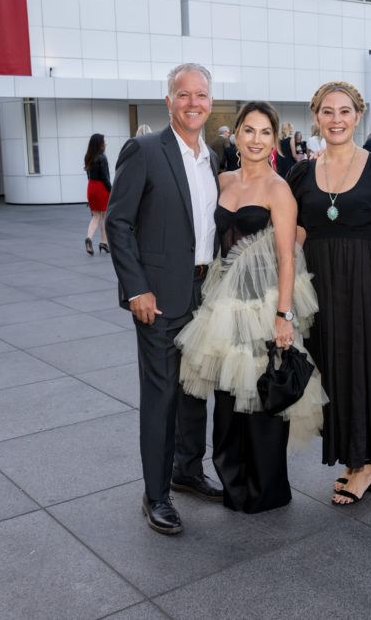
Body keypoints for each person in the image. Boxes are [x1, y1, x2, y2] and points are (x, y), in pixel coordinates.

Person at [175, 101, 325, 514]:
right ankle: (232, 482)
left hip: (263, 304)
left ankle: (265, 489)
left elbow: (288, 257)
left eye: (265, 132)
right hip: (223, 304)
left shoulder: (278, 189)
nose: (256, 139)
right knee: (227, 398)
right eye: (249, 130)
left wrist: (283, 315)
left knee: (261, 398)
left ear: (274, 140)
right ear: (236, 134)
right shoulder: (222, 180)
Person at [105, 63, 224, 536]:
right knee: (161, 397)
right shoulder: (145, 150)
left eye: (202, 95)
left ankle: (187, 471)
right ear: (169, 101)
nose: (194, 103)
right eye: (184, 94)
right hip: (156, 299)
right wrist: (137, 289)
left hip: (204, 293)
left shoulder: (212, 158)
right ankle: (156, 494)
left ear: (210, 102)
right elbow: (118, 222)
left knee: (194, 391)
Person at [287, 81, 371, 506]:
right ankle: (351, 455)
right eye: (327, 111)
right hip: (319, 280)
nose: (336, 119)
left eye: (345, 111)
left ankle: (365, 463)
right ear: (316, 117)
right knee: (331, 365)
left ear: (358, 116)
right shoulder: (302, 173)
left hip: (368, 279)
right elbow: (297, 232)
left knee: (365, 362)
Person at [84, 133, 111, 255]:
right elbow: (105, 177)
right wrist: (111, 190)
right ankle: (103, 242)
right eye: (104, 142)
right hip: (101, 188)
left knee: (95, 217)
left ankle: (89, 239)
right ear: (100, 144)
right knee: (105, 216)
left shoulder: (88, 157)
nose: (106, 144)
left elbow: (88, 175)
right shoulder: (102, 158)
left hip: (91, 187)